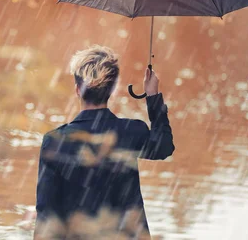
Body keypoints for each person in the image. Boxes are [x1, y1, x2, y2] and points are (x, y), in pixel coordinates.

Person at [34, 45, 175, 240]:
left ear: (77, 90)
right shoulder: (131, 132)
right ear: (113, 91)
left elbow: (46, 211)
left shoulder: (55, 141)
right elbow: (164, 147)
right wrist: (152, 96)